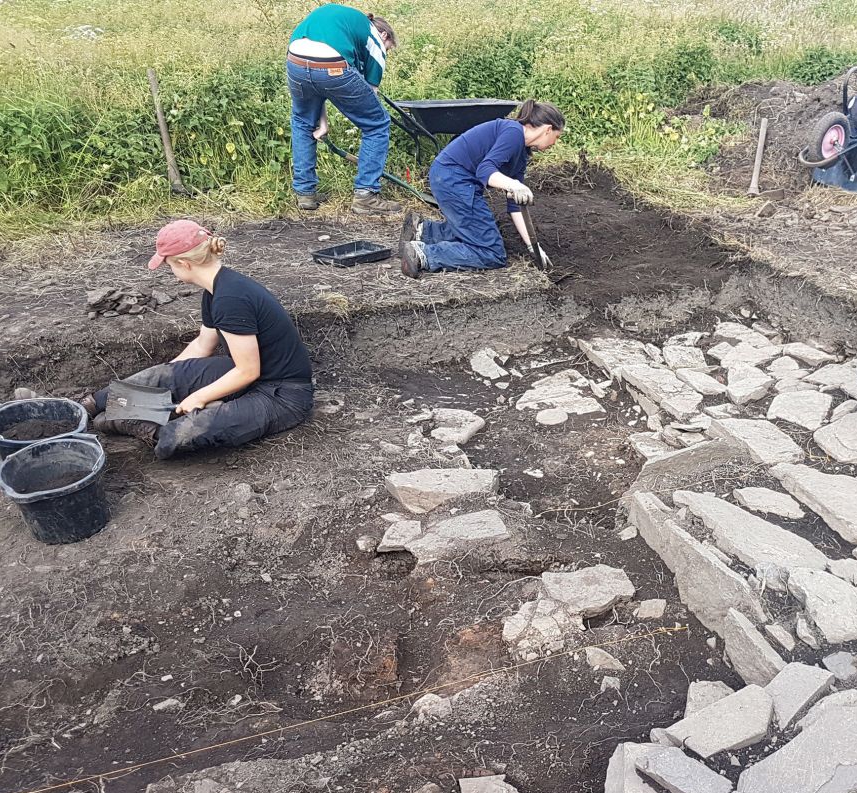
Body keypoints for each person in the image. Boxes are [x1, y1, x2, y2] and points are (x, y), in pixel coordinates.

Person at [83, 221, 315, 459]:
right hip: (249, 372)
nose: (171, 273)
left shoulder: (231, 299)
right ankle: (90, 406)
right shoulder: (216, 290)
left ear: (184, 263)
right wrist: (172, 375)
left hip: (283, 394)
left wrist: (199, 396)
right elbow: (202, 345)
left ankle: (141, 423)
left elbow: (248, 371)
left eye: (169, 266)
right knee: (165, 375)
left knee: (181, 434)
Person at [398, 100, 565, 277]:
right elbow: (485, 170)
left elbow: (515, 206)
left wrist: (533, 245)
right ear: (548, 129)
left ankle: (422, 231)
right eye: (557, 136)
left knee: (477, 230)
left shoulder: (521, 152)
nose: (555, 142)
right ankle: (423, 254)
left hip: (448, 176)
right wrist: (514, 185)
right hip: (454, 180)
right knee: (492, 253)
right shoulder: (513, 133)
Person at [286, 4, 402, 216]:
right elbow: (371, 93)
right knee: (377, 124)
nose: (386, 52)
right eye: (388, 48)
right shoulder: (374, 36)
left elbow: (316, 81)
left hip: (296, 59)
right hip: (331, 63)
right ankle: (366, 196)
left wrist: (323, 123)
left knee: (303, 122)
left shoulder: (346, 23)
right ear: (384, 35)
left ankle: (305, 194)